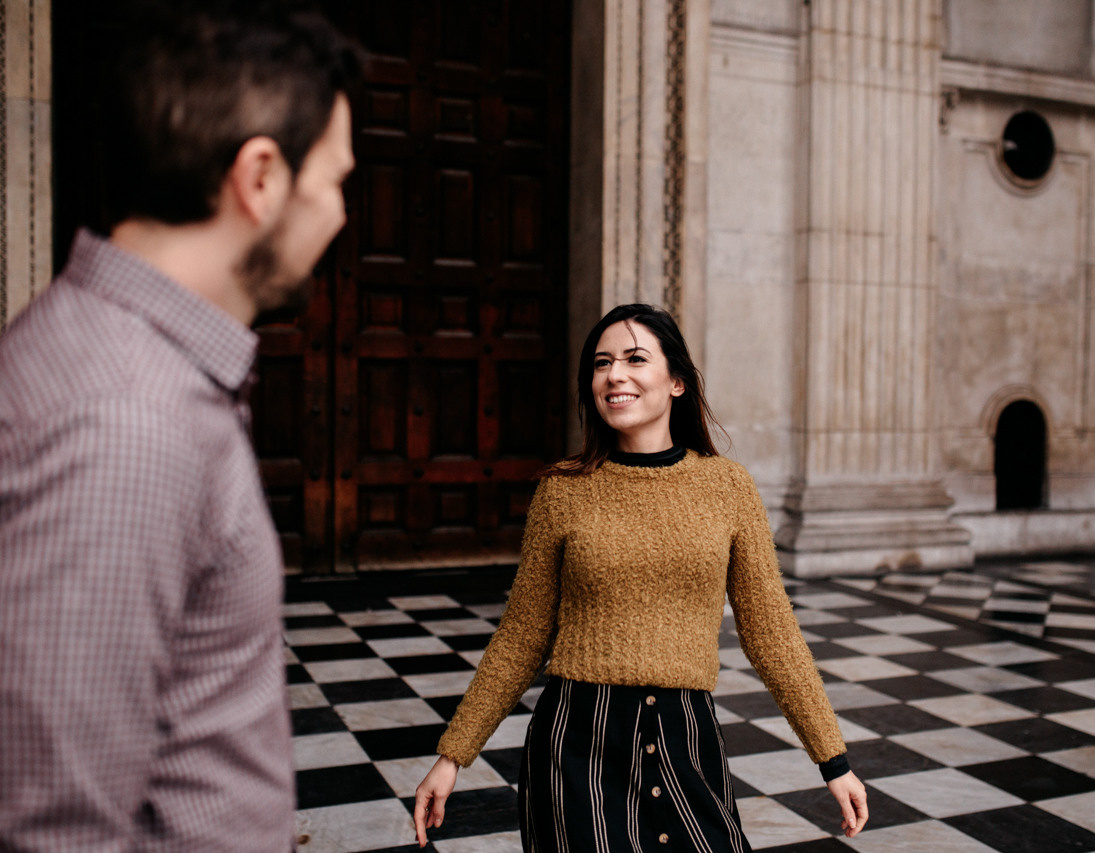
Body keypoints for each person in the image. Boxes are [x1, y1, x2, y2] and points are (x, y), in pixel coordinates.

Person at [0, 3, 359, 849]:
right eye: (333, 181)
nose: (340, 214)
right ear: (260, 178)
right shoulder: (125, 421)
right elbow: (57, 827)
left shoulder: (126, 362)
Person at [412, 304, 869, 850]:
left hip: (685, 737)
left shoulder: (728, 487)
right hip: (576, 746)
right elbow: (522, 635)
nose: (614, 375)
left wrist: (832, 760)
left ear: (677, 381)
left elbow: (771, 633)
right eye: (602, 363)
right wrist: (453, 756)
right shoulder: (563, 490)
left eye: (634, 359)